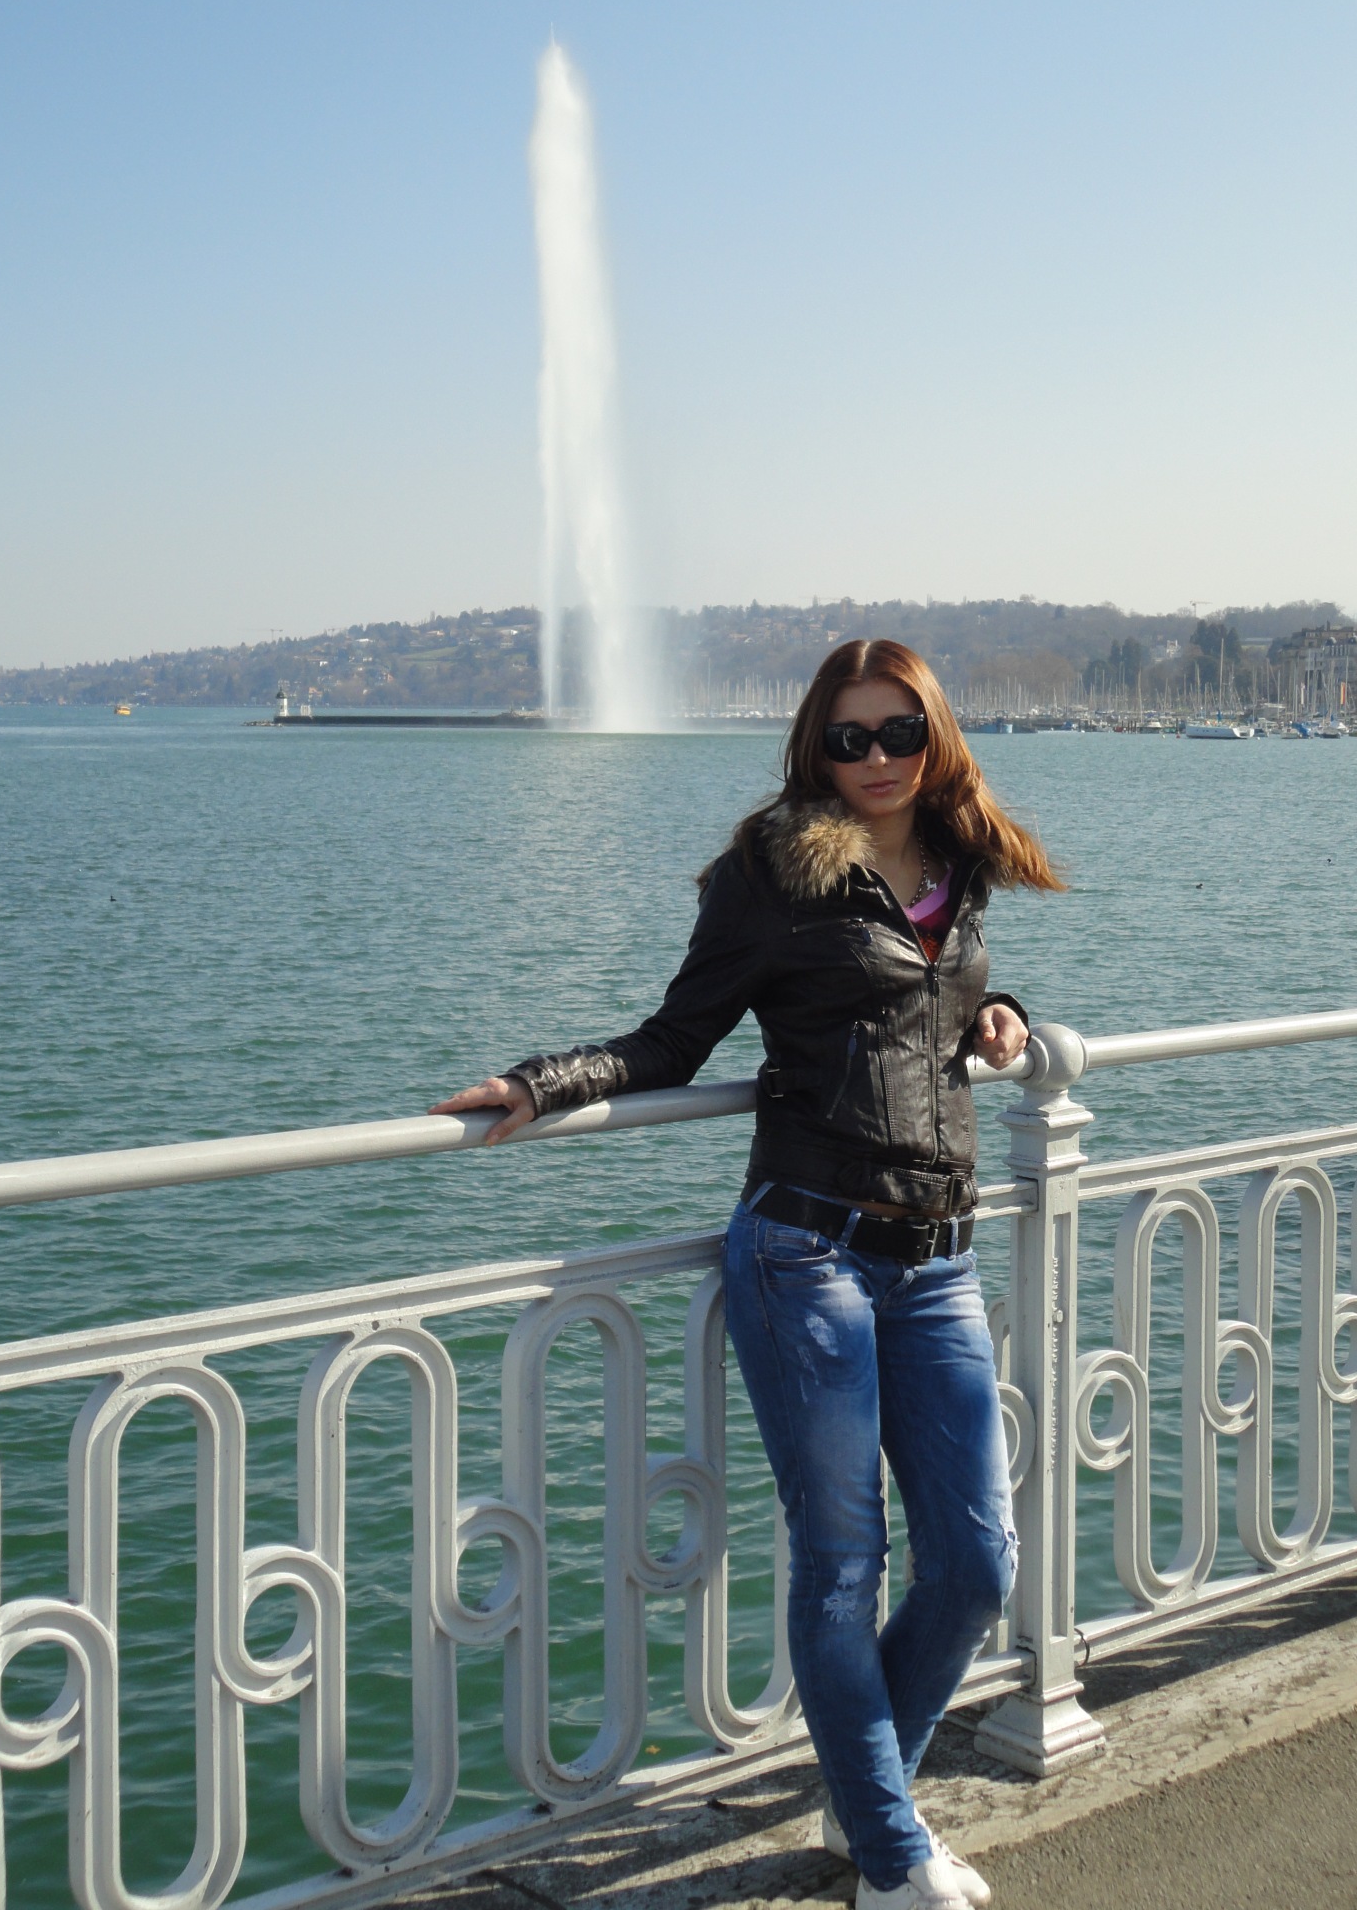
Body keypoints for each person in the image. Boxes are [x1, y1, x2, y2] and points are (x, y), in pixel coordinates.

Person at [431, 638, 1065, 1910]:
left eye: (899, 732)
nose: (876, 757)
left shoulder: (962, 861)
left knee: (978, 1563)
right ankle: (890, 1852)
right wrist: (544, 1081)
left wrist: (1002, 1013)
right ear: (814, 746)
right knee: (843, 1560)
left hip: (938, 1255)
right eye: (849, 736)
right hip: (806, 1249)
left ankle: (865, 1790)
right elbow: (675, 1037)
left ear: (936, 737)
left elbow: (929, 1003)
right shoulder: (771, 872)